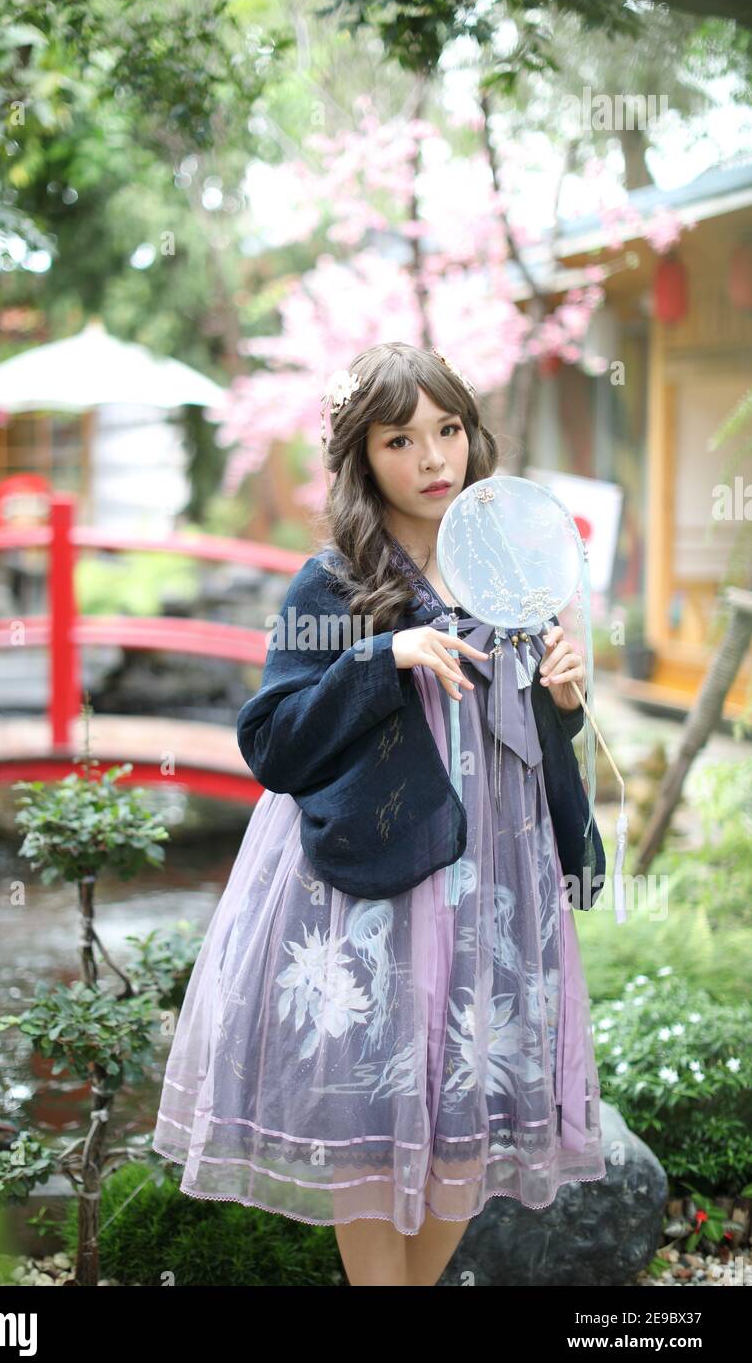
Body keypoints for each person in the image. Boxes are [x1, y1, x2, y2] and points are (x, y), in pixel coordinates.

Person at [153, 342, 607, 1286]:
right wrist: (381, 657)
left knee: (463, 1140)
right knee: (373, 1129)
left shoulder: (521, 572)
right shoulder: (337, 581)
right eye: (401, 439)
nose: (434, 459)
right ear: (365, 456)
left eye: (447, 431)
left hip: (499, 882)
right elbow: (272, 742)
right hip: (374, 885)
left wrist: (565, 701)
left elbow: (539, 747)